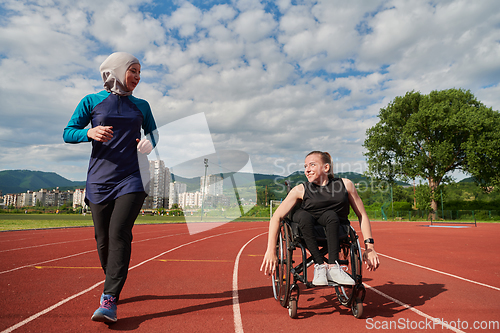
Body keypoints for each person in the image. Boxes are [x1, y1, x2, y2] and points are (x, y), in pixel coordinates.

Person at [63, 52, 158, 323]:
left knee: (119, 233)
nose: (138, 77)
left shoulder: (142, 105)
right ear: (117, 70)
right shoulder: (91, 101)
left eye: (140, 72)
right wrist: (88, 133)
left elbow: (154, 132)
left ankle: (109, 300)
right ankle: (113, 278)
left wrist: (150, 142)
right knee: (102, 239)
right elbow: (68, 132)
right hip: (99, 180)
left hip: (133, 177)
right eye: (133, 71)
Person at [260, 151, 379, 286]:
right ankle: (320, 266)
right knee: (305, 216)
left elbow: (362, 214)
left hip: (333, 226)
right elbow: (276, 217)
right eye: (305, 166)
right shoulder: (300, 189)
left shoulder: (345, 185)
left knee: (331, 215)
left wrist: (370, 248)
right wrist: (270, 250)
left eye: (312, 165)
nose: (307, 170)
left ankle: (333, 267)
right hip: (305, 224)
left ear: (326, 168)